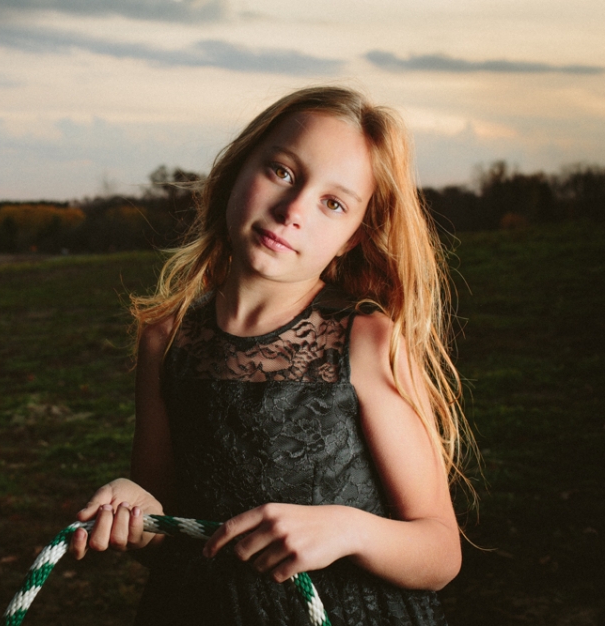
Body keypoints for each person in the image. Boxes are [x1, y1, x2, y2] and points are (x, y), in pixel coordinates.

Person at [69, 86, 474, 625]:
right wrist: (133, 510)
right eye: (282, 172)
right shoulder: (165, 340)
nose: (292, 211)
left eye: (333, 203)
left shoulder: (369, 340)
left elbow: (441, 553)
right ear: (238, 169)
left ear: (353, 236)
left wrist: (348, 529)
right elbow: (165, 524)